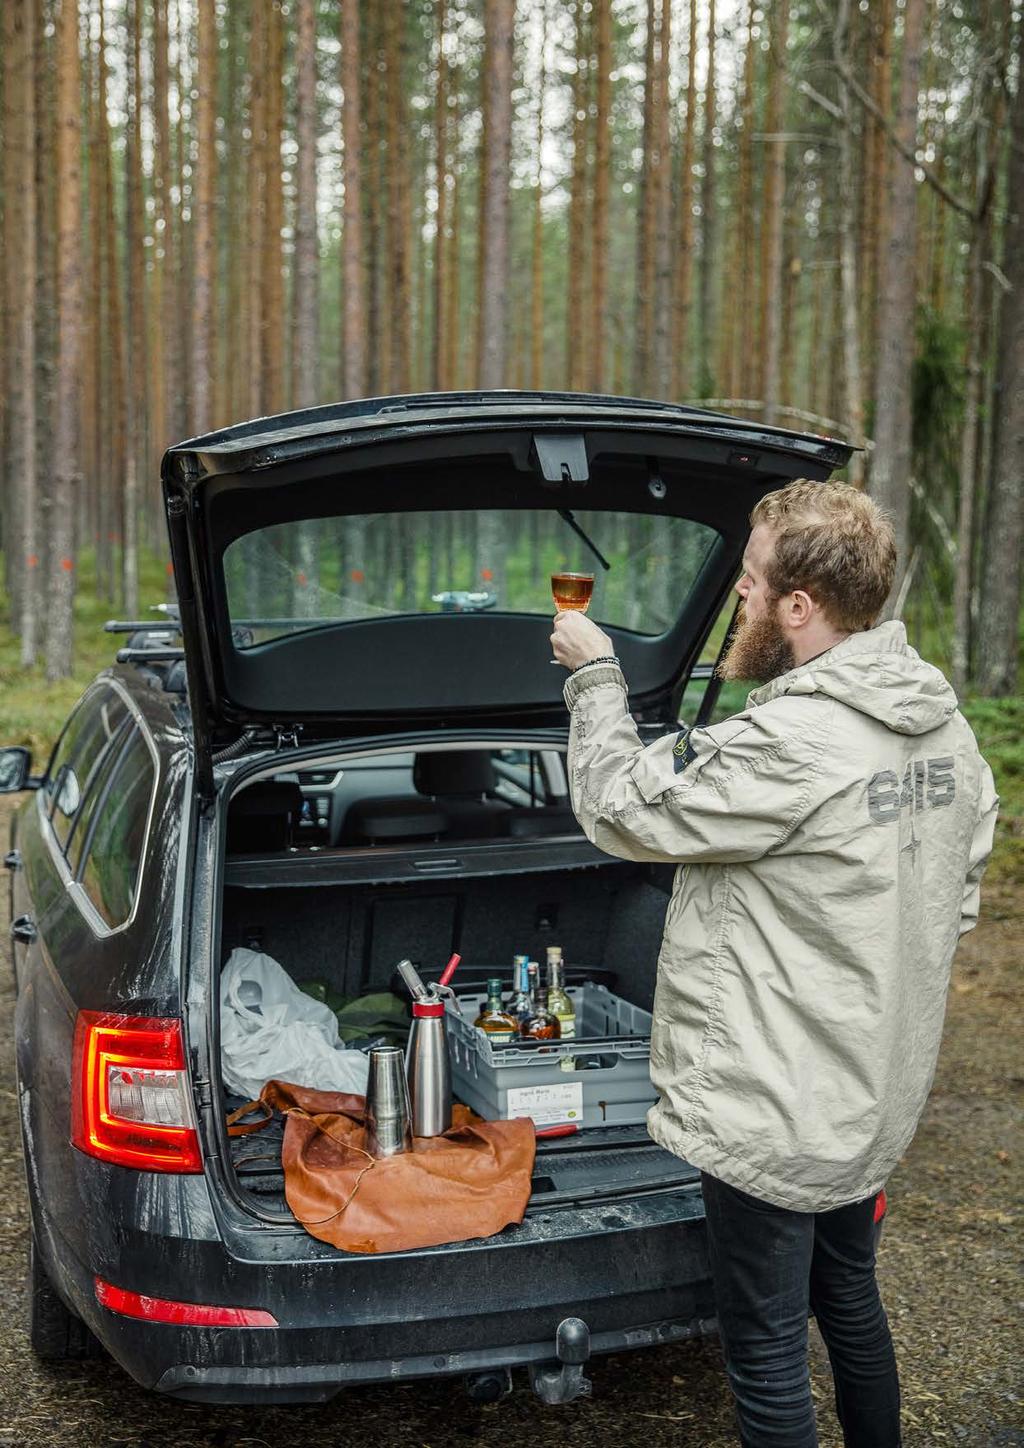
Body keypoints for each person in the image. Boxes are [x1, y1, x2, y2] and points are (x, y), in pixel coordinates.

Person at [550, 480, 998, 1448]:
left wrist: (594, 679)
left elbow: (621, 809)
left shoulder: (792, 742)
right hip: (863, 1096)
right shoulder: (945, 728)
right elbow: (957, 881)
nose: (738, 600)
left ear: (800, 607)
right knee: (848, 1298)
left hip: (776, 1108)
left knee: (762, 1357)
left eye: (749, 583)